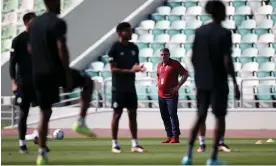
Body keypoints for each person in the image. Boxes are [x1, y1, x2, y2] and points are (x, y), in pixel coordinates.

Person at [28, 0, 94, 164]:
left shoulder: (34, 23)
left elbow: (30, 48)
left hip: (38, 73)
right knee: (88, 82)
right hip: (55, 71)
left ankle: (42, 155)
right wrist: (67, 75)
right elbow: (61, 48)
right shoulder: (57, 23)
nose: (60, 3)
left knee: (45, 113)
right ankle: (80, 122)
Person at [181, 0, 240, 165]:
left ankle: (188, 155)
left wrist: (200, 74)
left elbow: (192, 57)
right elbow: (227, 60)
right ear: (219, 12)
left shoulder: (199, 32)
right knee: (219, 117)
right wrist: (234, 82)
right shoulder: (224, 33)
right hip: (218, 82)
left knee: (200, 116)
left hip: (202, 81)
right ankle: (213, 157)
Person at [108, 22, 146, 153]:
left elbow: (135, 65)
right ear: (120, 33)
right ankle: (114, 144)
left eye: (130, 31)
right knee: (117, 114)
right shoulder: (114, 48)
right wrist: (131, 71)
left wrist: (139, 68)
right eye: (127, 31)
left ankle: (135, 144)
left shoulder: (134, 48)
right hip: (118, 87)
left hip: (130, 87)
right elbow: (113, 69)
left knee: (133, 114)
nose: (130, 33)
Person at [9, 12, 41, 154]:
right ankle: (22, 144)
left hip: (38, 81)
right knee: (24, 112)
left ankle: (39, 138)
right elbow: (12, 64)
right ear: (27, 22)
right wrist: (14, 82)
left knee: (46, 110)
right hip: (23, 82)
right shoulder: (18, 40)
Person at [157, 48, 188, 144]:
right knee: (164, 116)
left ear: (169, 54)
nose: (163, 56)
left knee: (172, 115)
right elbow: (158, 76)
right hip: (161, 95)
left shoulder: (175, 64)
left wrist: (178, 86)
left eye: (165, 54)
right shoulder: (159, 65)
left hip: (171, 95)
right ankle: (169, 136)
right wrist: (157, 83)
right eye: (162, 54)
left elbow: (185, 74)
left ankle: (176, 136)